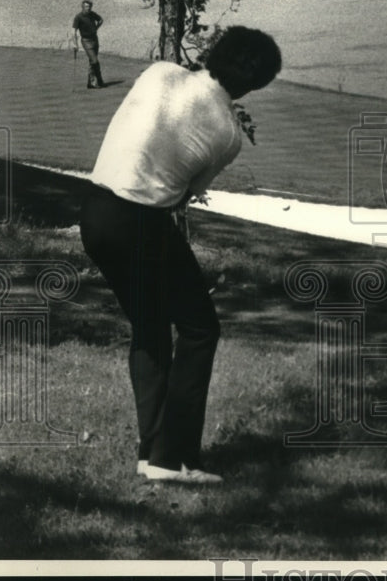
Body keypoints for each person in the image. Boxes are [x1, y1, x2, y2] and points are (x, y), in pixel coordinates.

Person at [79, 26, 282, 484]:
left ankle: (151, 452)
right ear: (256, 85)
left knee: (150, 327)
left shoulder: (159, 72)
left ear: (215, 52)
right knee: (199, 328)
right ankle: (173, 459)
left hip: (93, 212)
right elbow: (182, 197)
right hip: (141, 221)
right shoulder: (229, 133)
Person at [72, 0, 105, 89]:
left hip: (95, 39)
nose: (89, 8)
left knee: (92, 62)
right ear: (82, 7)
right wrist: (75, 44)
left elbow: (101, 20)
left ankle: (90, 83)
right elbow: (73, 31)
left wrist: (96, 28)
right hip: (86, 41)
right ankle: (97, 81)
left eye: (90, 6)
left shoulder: (92, 14)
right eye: (86, 6)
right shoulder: (78, 17)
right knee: (95, 61)